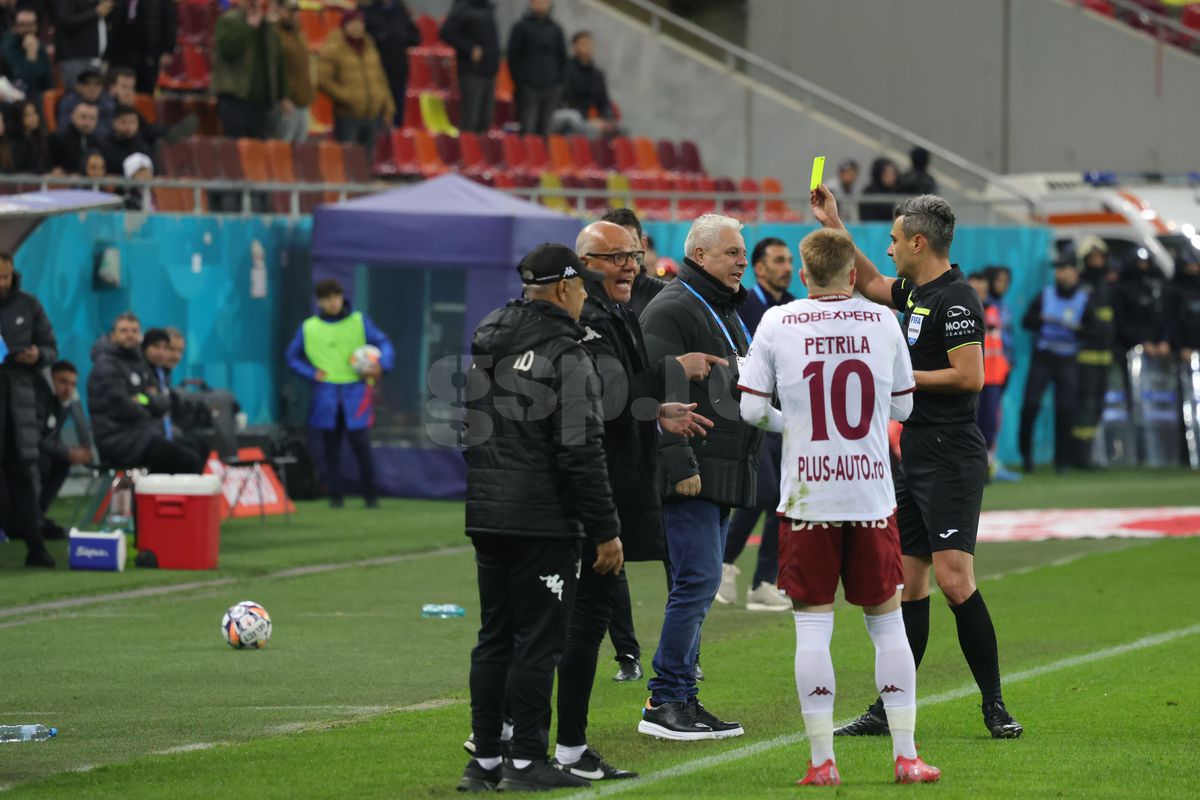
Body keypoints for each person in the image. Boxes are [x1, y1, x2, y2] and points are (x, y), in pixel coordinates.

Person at [809, 187, 1024, 740]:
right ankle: (889, 708)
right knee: (909, 585)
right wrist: (836, 224)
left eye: (894, 240)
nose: (888, 250)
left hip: (951, 454)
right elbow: (877, 287)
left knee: (956, 581)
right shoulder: (914, 289)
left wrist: (897, 381)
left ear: (918, 242)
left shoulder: (957, 300)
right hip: (914, 453)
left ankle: (995, 705)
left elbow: (970, 376)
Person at [738, 228, 940, 786]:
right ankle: (906, 755)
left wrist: (795, 425)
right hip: (871, 493)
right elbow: (902, 404)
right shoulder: (881, 321)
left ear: (803, 275)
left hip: (808, 495)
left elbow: (752, 409)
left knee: (811, 630)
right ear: (853, 275)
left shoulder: (777, 320)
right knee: (887, 625)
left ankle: (823, 762)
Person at [550, 222, 717, 781]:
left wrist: (659, 410)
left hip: (610, 483)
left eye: (634, 255)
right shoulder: (588, 320)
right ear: (581, 263)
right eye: (615, 257)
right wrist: (676, 370)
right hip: (590, 490)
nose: (629, 266)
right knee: (559, 624)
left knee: (573, 620)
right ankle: (547, 746)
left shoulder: (613, 311)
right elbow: (604, 399)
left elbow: (618, 402)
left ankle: (538, 745)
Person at [457, 243, 622, 793]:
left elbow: (469, 431)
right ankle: (527, 760)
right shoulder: (566, 351)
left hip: (486, 510)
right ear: (564, 288)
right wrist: (604, 529)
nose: (582, 301)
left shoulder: (487, 336)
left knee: (494, 638)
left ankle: (483, 762)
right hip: (541, 519)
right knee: (537, 643)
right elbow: (581, 448)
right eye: (580, 290)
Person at [637, 213, 764, 741]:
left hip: (721, 464)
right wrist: (680, 463)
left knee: (700, 584)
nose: (741, 261)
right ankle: (665, 700)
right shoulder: (672, 307)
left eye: (741, 252)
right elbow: (658, 394)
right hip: (693, 466)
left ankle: (684, 697)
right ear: (699, 256)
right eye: (732, 252)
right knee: (696, 582)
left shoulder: (723, 309)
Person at [717, 236, 794, 612]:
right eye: (779, 260)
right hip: (749, 408)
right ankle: (725, 564)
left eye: (790, 260)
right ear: (759, 267)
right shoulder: (742, 304)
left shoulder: (794, 307)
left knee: (783, 497)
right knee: (764, 491)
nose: (787, 267)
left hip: (785, 412)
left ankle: (764, 581)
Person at [285, 279, 393, 509]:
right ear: (319, 301)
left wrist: (380, 364)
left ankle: (371, 497)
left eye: (336, 297)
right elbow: (292, 357)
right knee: (330, 449)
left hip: (355, 392)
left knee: (361, 447)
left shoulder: (358, 321)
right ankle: (336, 497)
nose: (333, 303)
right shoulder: (309, 327)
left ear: (342, 296)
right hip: (326, 395)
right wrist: (312, 373)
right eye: (327, 298)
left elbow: (384, 344)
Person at [88, 312, 208, 475]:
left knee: (200, 447)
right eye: (124, 331)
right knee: (187, 460)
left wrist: (144, 399)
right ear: (113, 334)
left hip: (142, 433)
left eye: (134, 331)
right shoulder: (106, 366)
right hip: (120, 439)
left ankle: (165, 498)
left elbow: (162, 402)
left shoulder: (137, 362)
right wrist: (149, 404)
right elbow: (123, 407)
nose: (129, 335)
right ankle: (161, 499)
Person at [0, 252, 57, 567]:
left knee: (23, 476)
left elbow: (51, 347)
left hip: (20, 404)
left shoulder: (28, 304)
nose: (2, 282)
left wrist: (37, 356)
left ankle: (36, 548)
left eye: (6, 276)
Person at [1018, 258, 1090, 474]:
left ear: (1075, 272)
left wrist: (1077, 329)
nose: (1061, 274)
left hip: (1067, 359)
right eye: (1058, 270)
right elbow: (1026, 321)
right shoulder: (1046, 294)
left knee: (1065, 410)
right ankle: (1027, 457)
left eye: (1065, 269)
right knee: (1030, 405)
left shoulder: (1084, 299)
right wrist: (1042, 319)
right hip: (1043, 357)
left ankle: (1062, 461)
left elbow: (1095, 330)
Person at [318, 9, 395, 155]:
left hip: (372, 115)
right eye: (353, 23)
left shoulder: (370, 47)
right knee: (346, 160)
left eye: (360, 23)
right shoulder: (333, 48)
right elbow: (322, 79)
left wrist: (388, 107)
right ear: (344, 26)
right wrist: (346, 96)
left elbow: (380, 79)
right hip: (348, 115)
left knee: (366, 161)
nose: (357, 27)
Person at [34, 361, 95, 541]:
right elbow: (35, 436)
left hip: (43, 449)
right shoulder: (40, 397)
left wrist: (82, 451)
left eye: (73, 384)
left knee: (61, 462)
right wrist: (67, 452)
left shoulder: (67, 402)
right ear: (51, 380)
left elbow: (54, 433)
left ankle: (38, 515)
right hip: (24, 451)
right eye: (63, 382)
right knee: (43, 461)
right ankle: (29, 517)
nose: (68, 388)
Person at [212, 0, 289, 140]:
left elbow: (277, 61)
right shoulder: (228, 20)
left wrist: (283, 95)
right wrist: (248, 28)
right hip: (235, 98)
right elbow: (228, 51)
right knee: (236, 150)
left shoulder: (268, 26)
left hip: (262, 102)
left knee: (258, 154)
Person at [1073, 238, 1116, 469]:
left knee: (1097, 406)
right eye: (1092, 258)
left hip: (1105, 356)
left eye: (1100, 257)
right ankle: (1081, 456)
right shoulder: (1081, 285)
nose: (1097, 261)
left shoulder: (1108, 286)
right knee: (1085, 405)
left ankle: (1090, 453)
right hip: (1086, 356)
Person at [969, 270, 1016, 482]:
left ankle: (987, 466)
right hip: (971, 378)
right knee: (972, 424)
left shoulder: (996, 311)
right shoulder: (963, 311)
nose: (980, 294)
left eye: (983, 290)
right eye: (975, 290)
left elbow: (1004, 343)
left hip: (994, 377)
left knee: (989, 424)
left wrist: (1007, 367)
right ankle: (972, 466)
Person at [506, 0, 566, 136]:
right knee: (528, 128)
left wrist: (558, 83)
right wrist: (520, 82)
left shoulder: (555, 29)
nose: (540, 5)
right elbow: (513, 57)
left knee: (545, 131)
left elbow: (562, 57)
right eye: (536, 2)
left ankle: (542, 157)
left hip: (551, 87)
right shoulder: (521, 27)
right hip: (528, 87)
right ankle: (525, 157)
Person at [439, 0, 500, 133]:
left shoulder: (488, 8)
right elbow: (446, 32)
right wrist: (469, 48)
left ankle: (482, 153)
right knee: (470, 121)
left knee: (485, 121)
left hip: (489, 72)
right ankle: (467, 152)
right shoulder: (463, 7)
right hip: (471, 72)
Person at [361, 0, 421, 128]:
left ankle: (394, 141)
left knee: (397, 111)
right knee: (377, 111)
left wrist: (400, 37)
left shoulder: (401, 11)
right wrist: (381, 37)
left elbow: (416, 38)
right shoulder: (368, 11)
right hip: (375, 70)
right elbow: (362, 38)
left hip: (398, 69)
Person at [600, 207, 664, 319]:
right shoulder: (583, 296)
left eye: (631, 245)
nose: (625, 254)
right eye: (616, 247)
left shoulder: (665, 296)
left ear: (643, 245)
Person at [555, 31, 619, 139]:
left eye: (589, 44)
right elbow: (565, 100)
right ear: (575, 47)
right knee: (588, 128)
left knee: (621, 130)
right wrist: (589, 120)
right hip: (570, 117)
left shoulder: (597, 74)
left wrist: (608, 119)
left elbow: (604, 102)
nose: (587, 47)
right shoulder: (565, 70)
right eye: (583, 44)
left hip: (591, 119)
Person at [109, 0, 177, 93]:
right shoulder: (121, 2)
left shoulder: (162, 2)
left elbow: (171, 24)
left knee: (145, 90)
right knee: (121, 88)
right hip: (121, 55)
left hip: (148, 55)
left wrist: (168, 50)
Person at [1114, 250, 1171, 360]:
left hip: (1158, 349)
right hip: (1130, 349)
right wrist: (1141, 341)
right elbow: (1122, 320)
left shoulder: (1157, 287)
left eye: (1146, 263)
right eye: (1140, 263)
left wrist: (1165, 340)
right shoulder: (1122, 289)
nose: (1143, 266)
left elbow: (1167, 316)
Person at [53, 0, 118, 89]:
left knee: (95, 99)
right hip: (75, 59)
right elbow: (66, 20)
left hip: (96, 59)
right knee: (76, 97)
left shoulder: (94, 3)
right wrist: (96, 13)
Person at [274, 1, 313, 143]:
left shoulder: (299, 34)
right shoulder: (274, 34)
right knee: (282, 150)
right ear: (279, 10)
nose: (293, 14)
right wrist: (282, 96)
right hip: (286, 102)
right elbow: (274, 69)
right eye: (289, 10)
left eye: (296, 10)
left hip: (302, 101)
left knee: (300, 152)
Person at [0, 7, 53, 109]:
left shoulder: (39, 46)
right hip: (12, 97)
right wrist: (31, 56)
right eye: (23, 25)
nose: (28, 29)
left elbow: (48, 81)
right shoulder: (7, 47)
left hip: (36, 96)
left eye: (31, 25)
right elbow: (20, 78)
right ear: (15, 27)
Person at [57, 68, 115, 139]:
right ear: (78, 86)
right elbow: (64, 128)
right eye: (87, 84)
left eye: (97, 84)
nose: (92, 88)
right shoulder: (68, 102)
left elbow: (110, 129)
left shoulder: (108, 102)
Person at [49, 102, 100, 174]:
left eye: (92, 118)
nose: (87, 122)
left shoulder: (98, 143)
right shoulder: (58, 138)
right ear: (72, 116)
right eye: (83, 117)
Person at [1168, 250, 1200, 364]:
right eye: (1190, 265)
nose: (1194, 268)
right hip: (1184, 350)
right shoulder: (1174, 290)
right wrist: (1181, 346)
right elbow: (1171, 320)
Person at [101, 104, 150, 175]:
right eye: (124, 122)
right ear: (114, 123)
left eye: (132, 122)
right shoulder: (106, 146)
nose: (128, 127)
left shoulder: (144, 148)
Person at [10, 100, 51, 174]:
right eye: (27, 115)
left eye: (34, 113)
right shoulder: (15, 144)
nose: (33, 118)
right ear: (19, 118)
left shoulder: (41, 138)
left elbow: (47, 164)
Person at [859, 157, 899, 222]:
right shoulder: (869, 192)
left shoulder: (897, 190)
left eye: (893, 174)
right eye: (887, 174)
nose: (891, 177)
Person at [831, 158, 859, 222]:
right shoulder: (831, 188)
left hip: (848, 224)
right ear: (840, 173)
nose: (850, 176)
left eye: (852, 173)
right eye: (847, 172)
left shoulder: (855, 188)